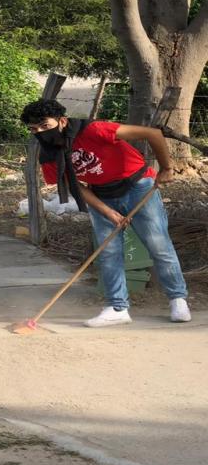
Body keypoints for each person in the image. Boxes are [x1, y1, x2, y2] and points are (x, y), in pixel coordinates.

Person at [20, 99, 191, 327]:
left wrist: (167, 168)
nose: (40, 132)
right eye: (34, 129)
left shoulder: (94, 130)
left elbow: (153, 134)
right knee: (108, 251)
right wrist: (107, 211)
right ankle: (117, 308)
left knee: (158, 244)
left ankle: (178, 300)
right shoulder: (49, 154)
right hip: (101, 194)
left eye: (44, 125)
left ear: (62, 121)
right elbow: (74, 185)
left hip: (138, 185)